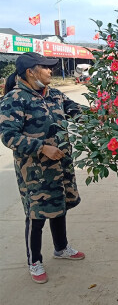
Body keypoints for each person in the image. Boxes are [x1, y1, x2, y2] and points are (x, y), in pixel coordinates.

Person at [0, 52, 85, 284]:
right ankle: (34, 261)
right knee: (36, 215)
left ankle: (61, 247)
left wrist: (102, 114)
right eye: (45, 68)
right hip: (35, 172)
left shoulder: (54, 94)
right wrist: (41, 147)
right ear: (30, 72)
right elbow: (8, 136)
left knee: (59, 206)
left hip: (61, 165)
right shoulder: (15, 99)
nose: (51, 71)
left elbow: (75, 110)